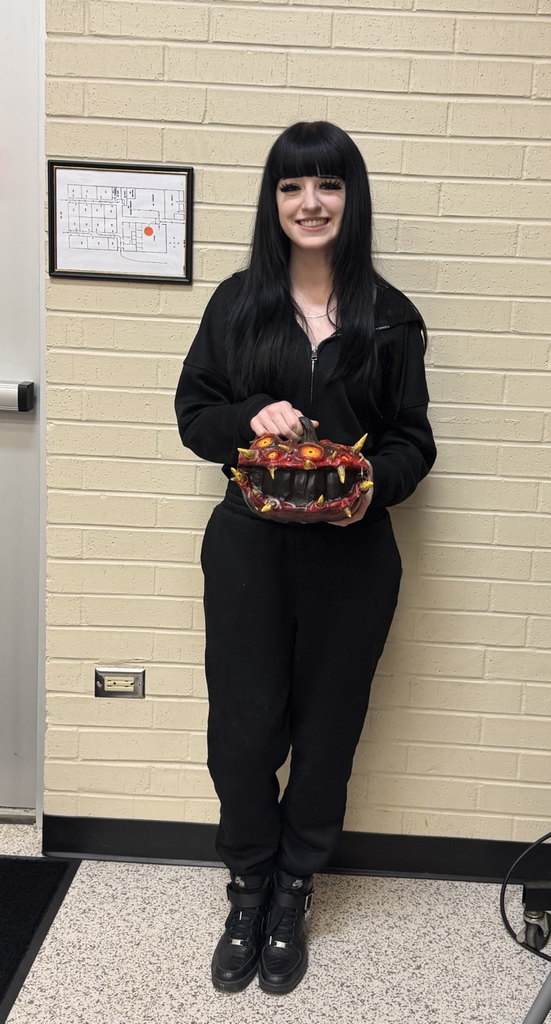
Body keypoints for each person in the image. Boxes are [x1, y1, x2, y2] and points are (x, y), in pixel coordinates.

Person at [174, 120, 436, 995]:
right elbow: (192, 415)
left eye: (327, 185)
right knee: (242, 733)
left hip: (353, 560)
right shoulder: (236, 304)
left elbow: (412, 443)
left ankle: (294, 888)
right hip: (248, 551)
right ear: (273, 201)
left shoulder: (390, 318)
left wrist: (370, 490)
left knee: (327, 733)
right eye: (291, 186)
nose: (310, 202)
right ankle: (247, 881)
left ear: (351, 200)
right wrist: (248, 412)